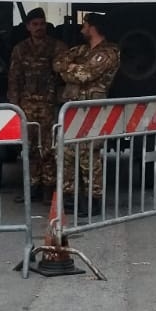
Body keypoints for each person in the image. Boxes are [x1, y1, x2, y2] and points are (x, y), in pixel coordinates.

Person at [54, 13, 120, 216]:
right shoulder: (82, 50)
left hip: (92, 110)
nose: (82, 28)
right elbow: (57, 63)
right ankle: (69, 199)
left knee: (89, 155)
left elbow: (86, 74)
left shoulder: (109, 52)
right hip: (73, 108)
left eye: (85, 24)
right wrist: (72, 69)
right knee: (66, 153)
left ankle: (93, 201)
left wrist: (70, 71)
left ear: (93, 28)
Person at [7, 8, 63, 202]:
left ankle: (49, 188)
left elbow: (63, 75)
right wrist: (14, 105)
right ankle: (32, 186)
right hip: (27, 105)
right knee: (30, 148)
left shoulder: (57, 47)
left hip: (48, 105)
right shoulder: (20, 49)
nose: (39, 28)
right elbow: (14, 78)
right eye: (35, 24)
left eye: (42, 24)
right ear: (28, 27)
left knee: (48, 148)